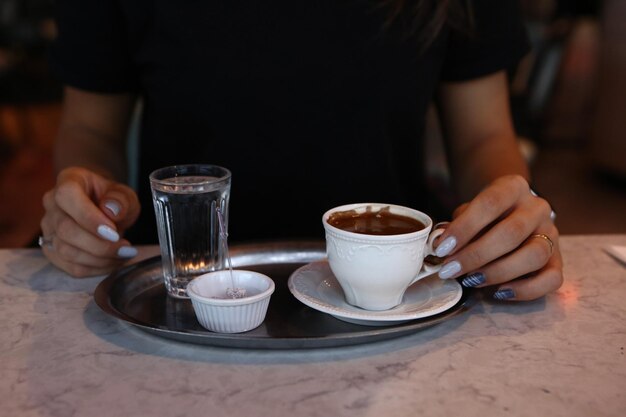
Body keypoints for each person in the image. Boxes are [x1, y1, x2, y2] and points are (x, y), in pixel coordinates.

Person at [40, 0, 563, 301]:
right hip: (185, 294)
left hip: (400, 298)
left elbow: (482, 138)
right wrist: (90, 207)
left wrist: (508, 221)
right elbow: (92, 129)